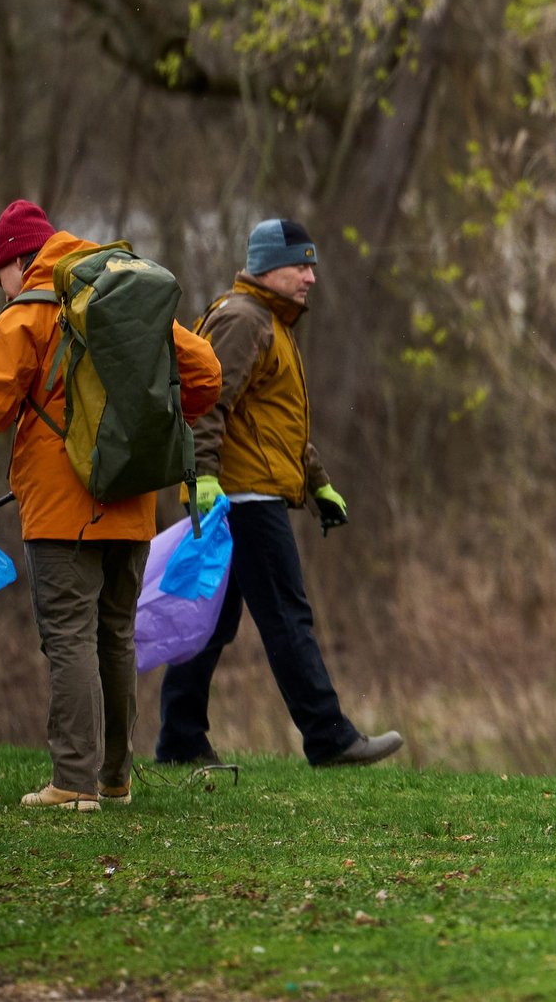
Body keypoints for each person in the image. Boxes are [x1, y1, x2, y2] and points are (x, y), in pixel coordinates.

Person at [0, 200, 223, 811]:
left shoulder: (28, 316)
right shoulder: (121, 293)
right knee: (115, 637)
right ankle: (115, 779)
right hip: (132, 500)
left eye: (0, 278)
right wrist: (146, 427)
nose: (2, 291)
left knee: (69, 637)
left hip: (61, 510)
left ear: (19, 259)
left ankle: (73, 782)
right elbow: (204, 372)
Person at [153, 219, 402, 770]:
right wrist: (204, 478)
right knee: (288, 617)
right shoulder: (244, 319)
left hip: (249, 494)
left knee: (211, 624)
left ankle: (180, 740)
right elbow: (207, 404)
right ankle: (330, 739)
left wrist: (317, 483)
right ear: (267, 267)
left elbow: (275, 425)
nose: (311, 277)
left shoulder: (271, 322)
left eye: (311, 267)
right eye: (300, 266)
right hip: (242, 500)